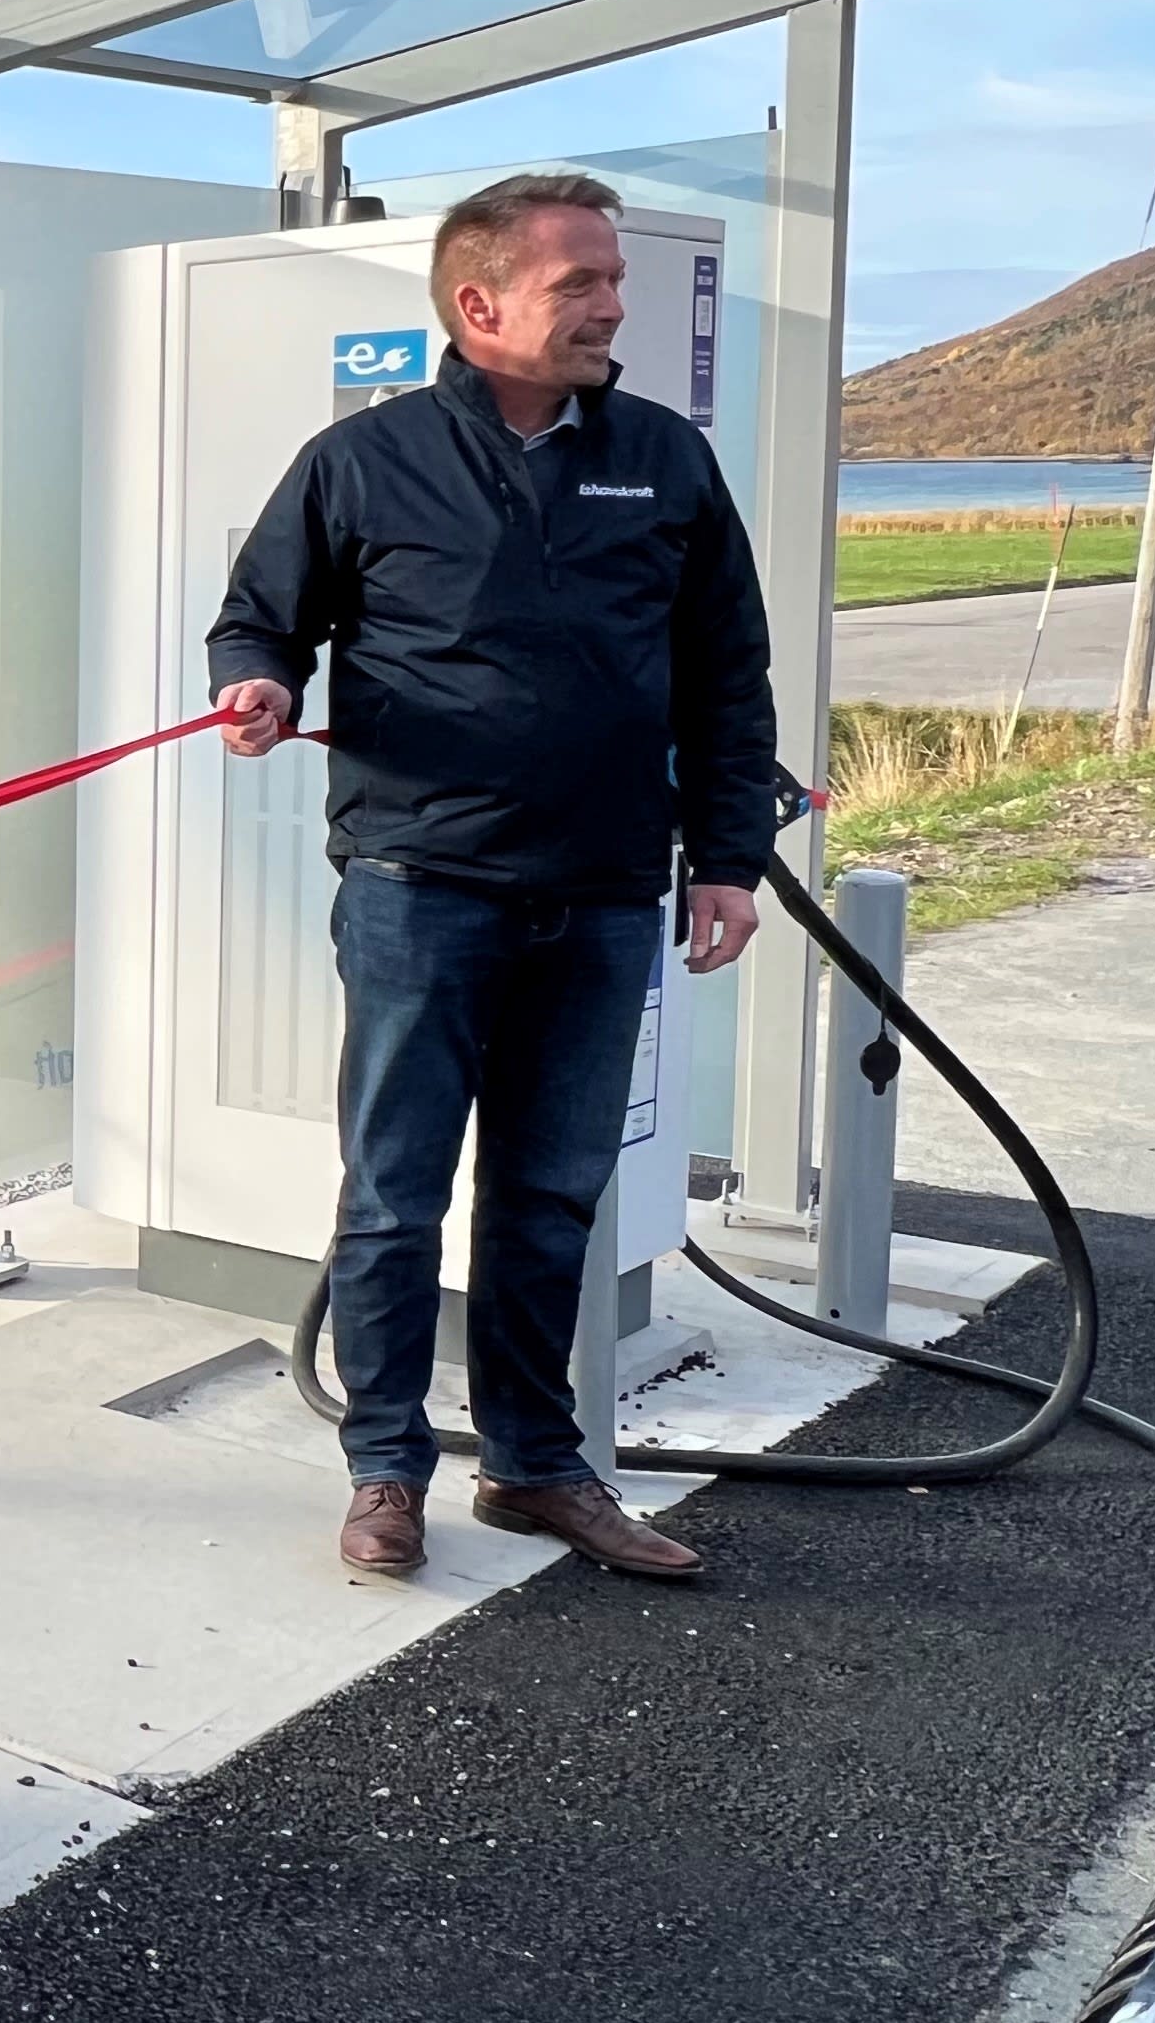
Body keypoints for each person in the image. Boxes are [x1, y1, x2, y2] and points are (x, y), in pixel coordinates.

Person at [208, 171, 781, 1586]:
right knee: (394, 1196)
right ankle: (386, 1468)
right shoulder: (364, 461)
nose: (614, 305)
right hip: (420, 886)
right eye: (580, 282)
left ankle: (534, 1463)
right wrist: (260, 684)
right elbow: (259, 618)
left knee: (550, 1196)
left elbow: (727, 671)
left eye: (614, 279)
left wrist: (726, 858)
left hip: (603, 894)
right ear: (480, 304)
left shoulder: (664, 457)